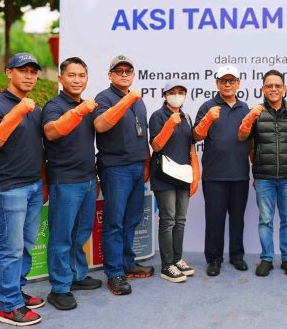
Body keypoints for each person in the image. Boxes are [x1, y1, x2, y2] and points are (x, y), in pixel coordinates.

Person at [0, 52, 45, 326]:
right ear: (9, 72)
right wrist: (18, 110)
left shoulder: (36, 109)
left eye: (33, 71)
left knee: (27, 244)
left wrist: (44, 183)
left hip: (33, 187)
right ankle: (8, 306)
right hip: (9, 189)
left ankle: (15, 291)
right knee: (10, 248)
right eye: (23, 70)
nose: (29, 76)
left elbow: (39, 150)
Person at [42, 57, 102, 310]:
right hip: (64, 182)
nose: (77, 80)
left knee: (80, 233)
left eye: (81, 76)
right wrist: (79, 111)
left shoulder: (87, 108)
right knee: (61, 236)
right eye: (71, 75)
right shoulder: (54, 106)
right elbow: (52, 132)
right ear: (60, 78)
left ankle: (76, 276)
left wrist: (95, 176)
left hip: (88, 179)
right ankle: (59, 288)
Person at [237, 70, 287, 277]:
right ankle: (266, 259)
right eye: (269, 86)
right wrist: (249, 119)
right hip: (264, 178)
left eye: (278, 85)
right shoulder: (255, 112)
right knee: (265, 220)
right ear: (263, 89)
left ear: (285, 88)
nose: (274, 89)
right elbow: (243, 137)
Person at [93, 55, 153, 295]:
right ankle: (114, 272)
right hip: (115, 169)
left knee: (132, 219)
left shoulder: (138, 101)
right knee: (115, 222)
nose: (124, 74)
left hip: (138, 167)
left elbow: (143, 135)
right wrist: (128, 99)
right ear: (110, 75)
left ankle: (128, 263)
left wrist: (147, 163)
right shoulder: (104, 98)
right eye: (119, 71)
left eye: (129, 70)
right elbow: (101, 125)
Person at [193, 66, 251, 276]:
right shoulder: (207, 106)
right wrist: (208, 118)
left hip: (240, 174)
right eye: (223, 80)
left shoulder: (245, 108)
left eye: (231, 80)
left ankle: (237, 256)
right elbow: (196, 136)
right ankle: (214, 259)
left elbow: (252, 142)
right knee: (215, 219)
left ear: (238, 83)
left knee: (238, 218)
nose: (227, 84)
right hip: (214, 175)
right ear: (217, 83)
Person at [149, 81, 200, 283]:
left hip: (183, 174)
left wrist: (196, 172)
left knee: (180, 219)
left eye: (181, 92)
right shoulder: (157, 116)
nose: (177, 95)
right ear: (164, 95)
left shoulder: (187, 117)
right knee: (168, 219)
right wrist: (170, 124)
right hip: (164, 174)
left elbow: (191, 147)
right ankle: (166, 265)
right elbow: (156, 145)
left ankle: (177, 259)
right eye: (172, 92)